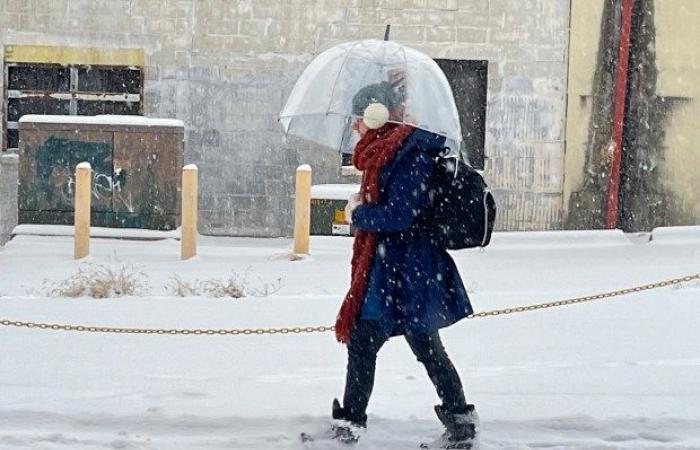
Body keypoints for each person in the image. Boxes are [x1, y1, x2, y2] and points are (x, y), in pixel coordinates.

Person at [330, 82, 478, 449]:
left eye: (357, 118)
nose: (354, 127)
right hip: (396, 267)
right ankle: (460, 421)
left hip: (407, 269)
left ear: (375, 115)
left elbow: (400, 215)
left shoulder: (409, 153)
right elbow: (395, 207)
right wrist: (364, 202)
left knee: (373, 343)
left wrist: (360, 213)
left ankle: (351, 425)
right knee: (417, 345)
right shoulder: (387, 152)